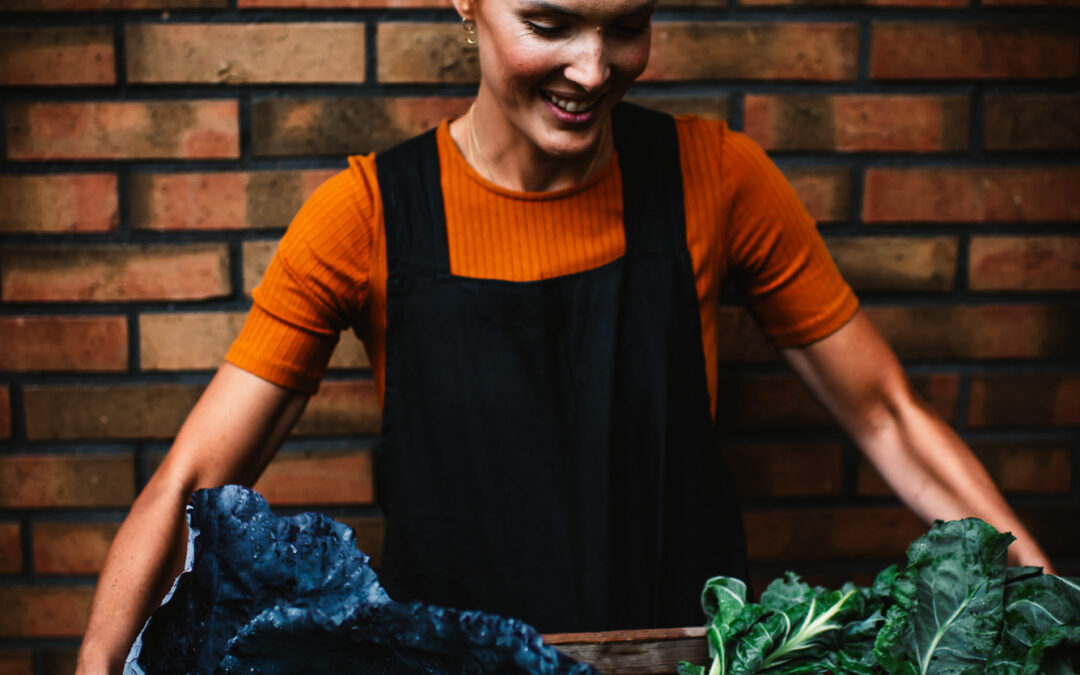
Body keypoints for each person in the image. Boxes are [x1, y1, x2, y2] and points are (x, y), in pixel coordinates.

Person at [76, 0, 1053, 671]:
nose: (594, 68)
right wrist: (97, 666)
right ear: (466, 2)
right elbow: (191, 485)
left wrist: (1048, 598)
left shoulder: (719, 180)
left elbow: (884, 412)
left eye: (626, 27)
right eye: (548, 24)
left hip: (686, 667)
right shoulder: (367, 217)